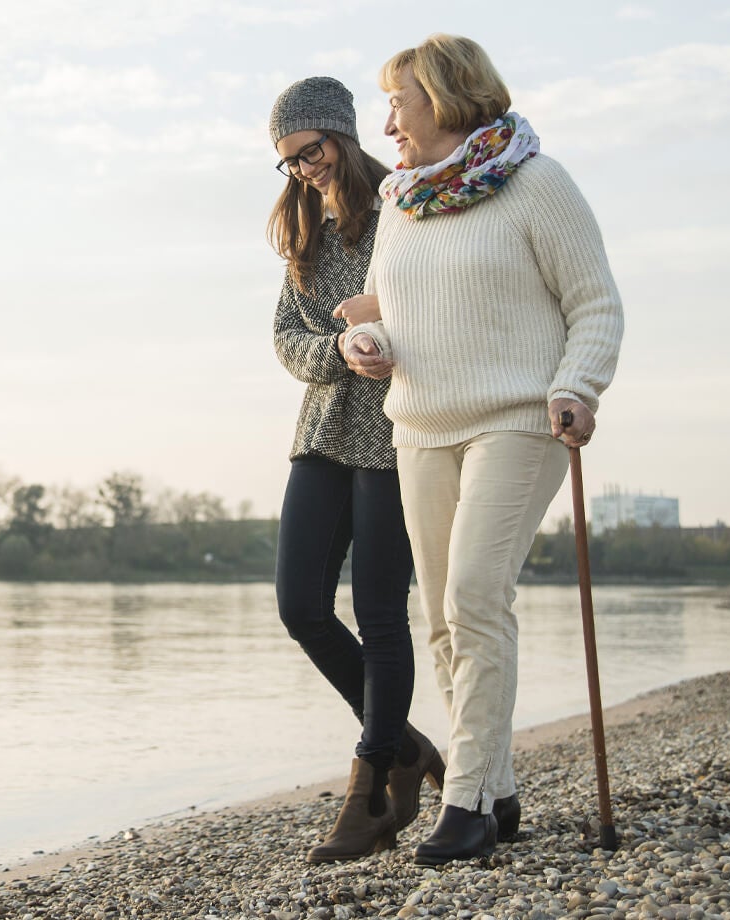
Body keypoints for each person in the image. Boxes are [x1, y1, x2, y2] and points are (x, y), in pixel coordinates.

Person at [348, 33, 625, 865]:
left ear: (446, 95)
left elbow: (596, 304)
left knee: (474, 594)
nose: (387, 119)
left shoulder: (537, 182)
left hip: (519, 419)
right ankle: (497, 788)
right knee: (437, 619)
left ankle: (464, 805)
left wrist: (578, 386)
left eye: (399, 100)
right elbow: (404, 311)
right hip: (421, 425)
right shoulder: (402, 201)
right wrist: (372, 341)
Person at [259, 75, 441, 863]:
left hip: (396, 434)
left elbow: (438, 298)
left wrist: (385, 330)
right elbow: (285, 339)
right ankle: (406, 748)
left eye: (312, 150)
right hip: (324, 431)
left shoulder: (404, 208)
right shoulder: (303, 230)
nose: (305, 169)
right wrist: (336, 350)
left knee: (379, 614)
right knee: (300, 605)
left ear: (342, 132)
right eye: (290, 161)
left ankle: (369, 788)